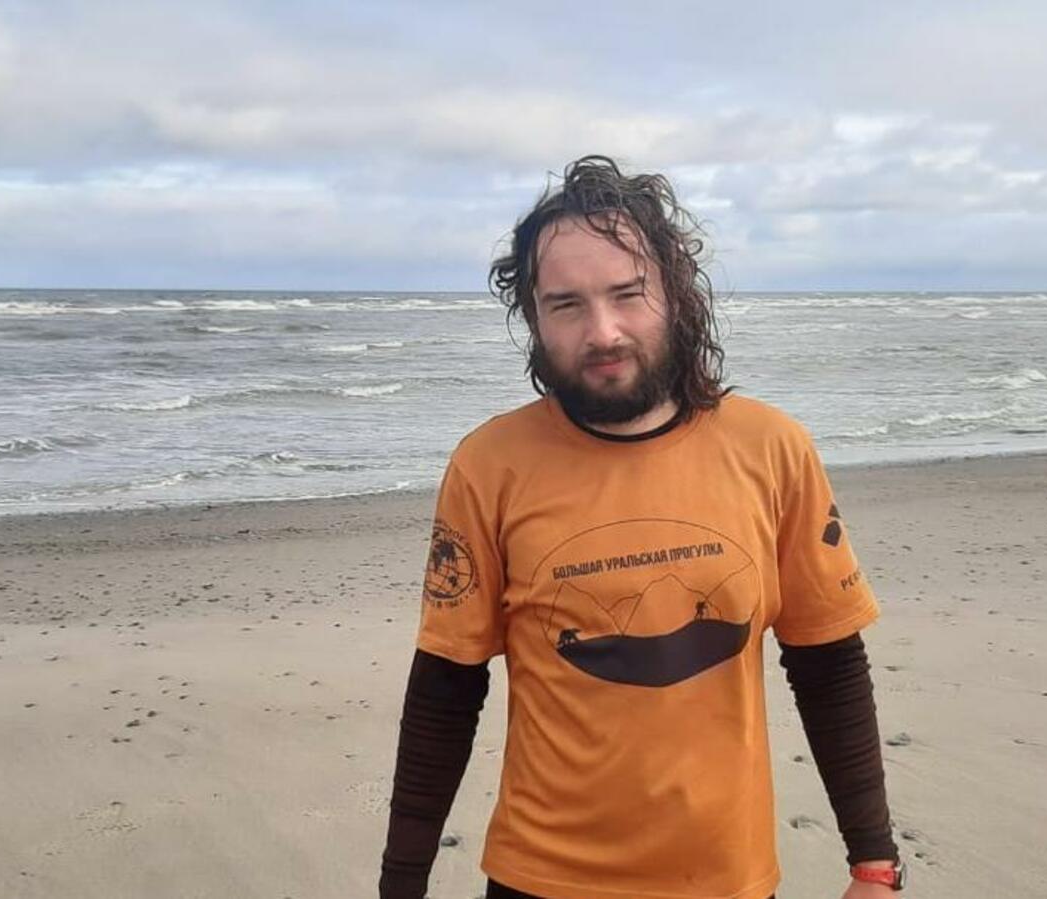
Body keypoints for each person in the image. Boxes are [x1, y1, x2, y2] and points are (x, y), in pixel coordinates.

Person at [379, 155, 904, 899]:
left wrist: (874, 863)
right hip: (540, 880)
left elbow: (828, 660)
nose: (603, 331)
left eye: (628, 294)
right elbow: (446, 687)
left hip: (726, 881)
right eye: (566, 304)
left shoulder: (772, 449)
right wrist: (400, 886)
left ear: (675, 292)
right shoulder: (488, 466)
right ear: (534, 318)